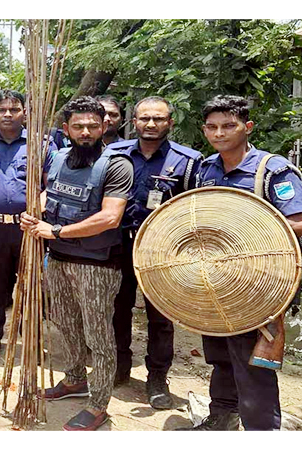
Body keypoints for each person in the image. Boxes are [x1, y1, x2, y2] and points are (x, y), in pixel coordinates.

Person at [178, 95, 302, 431]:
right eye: (212, 127)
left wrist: (248, 229)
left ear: (247, 127)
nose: (219, 133)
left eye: (229, 125)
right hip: (216, 281)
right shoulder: (204, 169)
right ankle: (221, 419)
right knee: (220, 357)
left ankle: (261, 430)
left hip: (261, 285)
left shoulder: (272, 170)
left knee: (254, 363)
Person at [21, 96, 133, 431]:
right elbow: (50, 193)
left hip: (97, 265)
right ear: (66, 129)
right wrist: (35, 209)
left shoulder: (117, 165)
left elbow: (111, 218)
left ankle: (99, 404)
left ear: (104, 126)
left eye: (92, 126)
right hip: (57, 259)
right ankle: (73, 380)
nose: (86, 132)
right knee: (65, 325)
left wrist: (54, 231)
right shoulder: (56, 158)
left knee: (98, 335)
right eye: (78, 126)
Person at [106, 96, 203, 410]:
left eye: (158, 119)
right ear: (133, 122)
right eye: (144, 118)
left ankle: (157, 378)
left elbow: (195, 209)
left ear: (170, 123)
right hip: (117, 244)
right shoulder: (114, 153)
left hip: (162, 252)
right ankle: (120, 366)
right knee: (117, 309)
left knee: (160, 318)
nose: (151, 124)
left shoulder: (188, 161)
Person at [0, 90, 56, 364]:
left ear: (24, 112)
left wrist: (37, 209)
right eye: (1, 110)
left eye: (14, 109)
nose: (7, 114)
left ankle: (31, 339)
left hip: (29, 228)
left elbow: (50, 186)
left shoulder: (41, 145)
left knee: (33, 285)